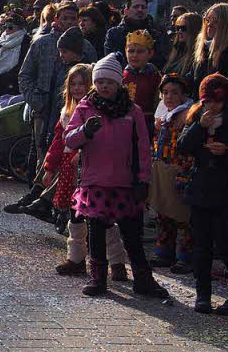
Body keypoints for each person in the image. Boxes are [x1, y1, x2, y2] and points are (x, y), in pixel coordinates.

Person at [63, 55, 169, 299]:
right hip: (95, 181)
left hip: (126, 182)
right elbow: (69, 140)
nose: (104, 87)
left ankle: (143, 279)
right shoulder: (86, 108)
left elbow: (143, 148)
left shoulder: (133, 111)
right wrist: (84, 131)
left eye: (109, 82)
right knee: (97, 233)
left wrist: (143, 179)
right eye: (99, 82)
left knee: (132, 234)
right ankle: (97, 278)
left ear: (118, 83)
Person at [176, 74, 228, 314]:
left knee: (225, 243)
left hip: (225, 187)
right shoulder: (197, 118)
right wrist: (200, 126)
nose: (212, 107)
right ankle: (203, 293)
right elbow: (183, 146)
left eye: (217, 102)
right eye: (207, 102)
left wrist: (227, 152)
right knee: (201, 244)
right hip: (200, 187)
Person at [10, 3, 94, 213]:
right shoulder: (42, 44)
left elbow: (92, 80)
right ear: (56, 19)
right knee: (41, 152)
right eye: (65, 18)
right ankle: (36, 196)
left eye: (73, 19)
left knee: (63, 155)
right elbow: (25, 75)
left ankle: (50, 203)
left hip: (71, 111)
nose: (69, 22)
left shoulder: (87, 48)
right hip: (42, 109)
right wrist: (35, 99)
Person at [51, 64, 129, 280]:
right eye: (73, 84)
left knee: (103, 219)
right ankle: (76, 258)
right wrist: (50, 165)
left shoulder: (98, 108)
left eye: (81, 84)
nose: (77, 89)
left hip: (93, 170)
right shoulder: (68, 110)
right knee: (75, 216)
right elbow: (60, 140)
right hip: (71, 169)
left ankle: (117, 261)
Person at [149, 74, 194, 272]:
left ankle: (184, 257)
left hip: (179, 170)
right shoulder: (162, 117)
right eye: (165, 92)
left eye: (175, 92)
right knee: (164, 214)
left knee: (183, 217)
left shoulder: (189, 116)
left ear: (184, 95)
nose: (169, 97)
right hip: (161, 168)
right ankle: (164, 252)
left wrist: (185, 170)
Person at [103, 0, 169, 68]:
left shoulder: (157, 33)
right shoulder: (114, 33)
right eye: (136, 7)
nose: (140, 10)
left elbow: (162, 60)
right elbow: (111, 60)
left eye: (143, 7)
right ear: (126, 11)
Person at [193, 3, 228, 91]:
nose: (209, 24)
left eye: (215, 21)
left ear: (227, 24)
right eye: (207, 20)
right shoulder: (203, 49)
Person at [122, 30, 162, 134]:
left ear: (150, 53)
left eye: (140, 52)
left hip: (146, 125)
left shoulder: (155, 77)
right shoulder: (121, 76)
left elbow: (158, 103)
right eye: (131, 51)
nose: (134, 55)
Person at [0, 10, 29, 99]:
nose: (6, 30)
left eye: (10, 27)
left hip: (15, 87)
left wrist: (3, 78)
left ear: (20, 28)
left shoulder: (26, 41)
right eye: (4, 27)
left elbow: (24, 65)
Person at [163, 11, 202, 83]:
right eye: (178, 28)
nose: (179, 31)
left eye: (183, 28)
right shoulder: (176, 50)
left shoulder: (198, 56)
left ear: (194, 29)